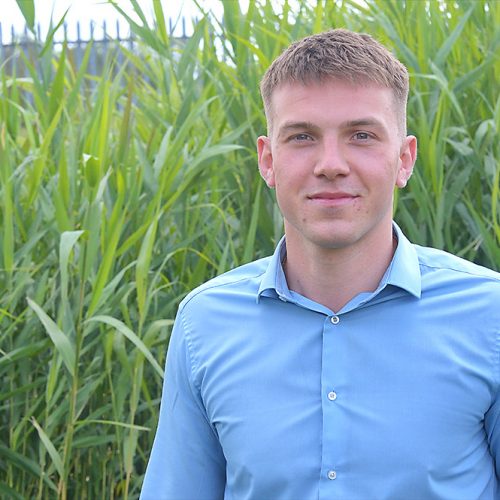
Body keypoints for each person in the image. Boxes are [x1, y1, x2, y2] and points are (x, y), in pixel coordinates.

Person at [140, 29, 500, 499]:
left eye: (362, 135)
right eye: (302, 137)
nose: (331, 164)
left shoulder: (489, 315)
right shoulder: (203, 325)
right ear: (268, 160)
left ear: (404, 159)